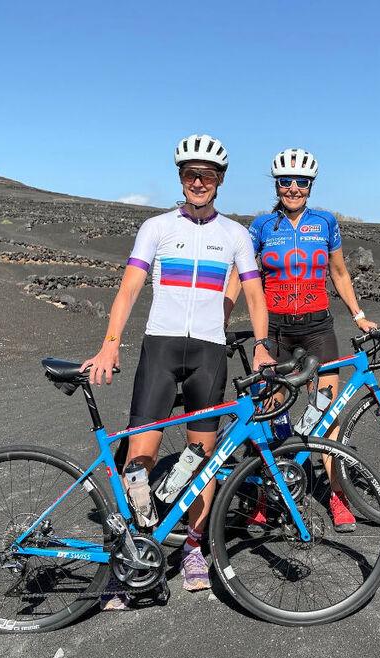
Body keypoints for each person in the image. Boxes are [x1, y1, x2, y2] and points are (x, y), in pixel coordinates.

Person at [81, 134, 274, 605]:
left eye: (207, 175)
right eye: (190, 174)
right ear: (181, 178)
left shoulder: (235, 235)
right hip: (161, 350)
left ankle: (193, 548)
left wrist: (263, 346)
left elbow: (253, 293)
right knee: (138, 460)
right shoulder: (156, 227)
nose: (198, 182)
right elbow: (129, 289)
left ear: (220, 180)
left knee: (202, 460)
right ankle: (132, 555)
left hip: (208, 354)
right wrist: (109, 345)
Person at [226, 147, 378, 532]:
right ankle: (266, 496)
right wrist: (220, 319)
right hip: (276, 330)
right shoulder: (262, 226)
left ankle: (338, 495)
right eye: (285, 181)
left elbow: (339, 273)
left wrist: (358, 315)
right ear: (276, 185)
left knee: (327, 413)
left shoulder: (325, 222)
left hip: (317, 329)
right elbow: (242, 276)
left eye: (301, 182)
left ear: (311, 185)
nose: (293, 188)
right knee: (270, 415)